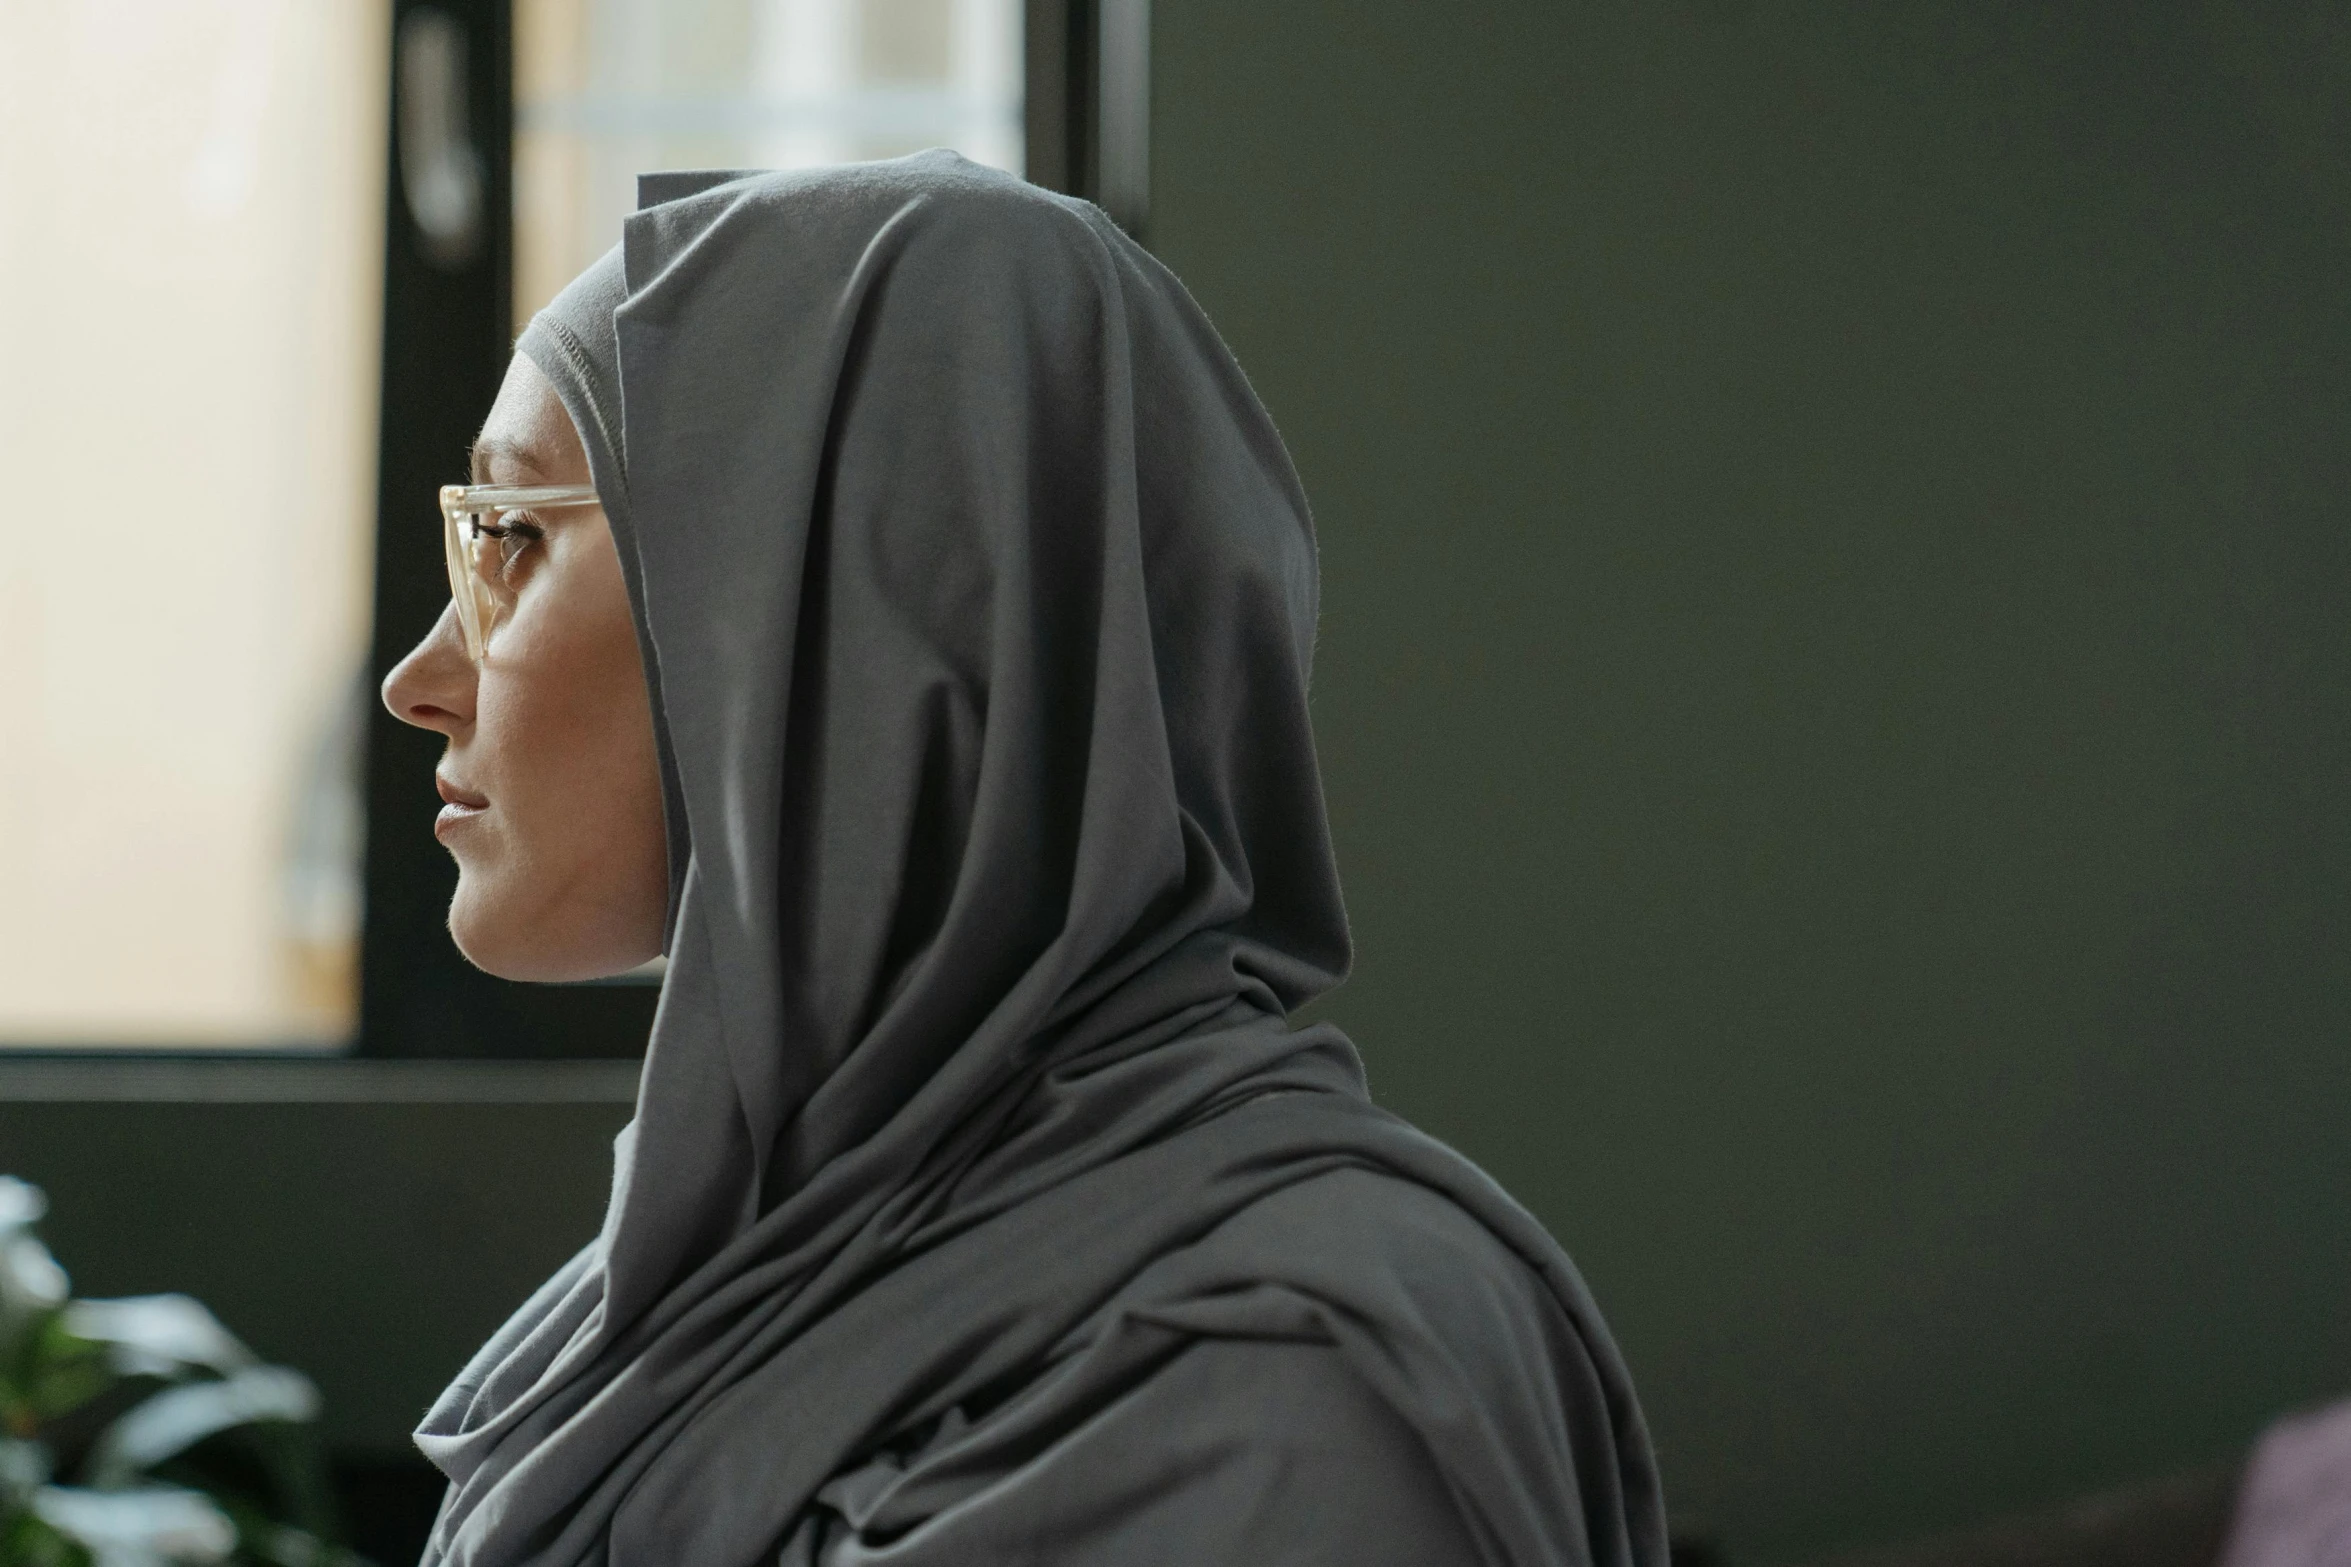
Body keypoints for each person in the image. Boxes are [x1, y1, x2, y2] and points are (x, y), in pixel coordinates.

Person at [382, 150, 1665, 1567]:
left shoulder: (1290, 1380)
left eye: (505, 536)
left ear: (860, 629)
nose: (419, 676)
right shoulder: (747, 1254)